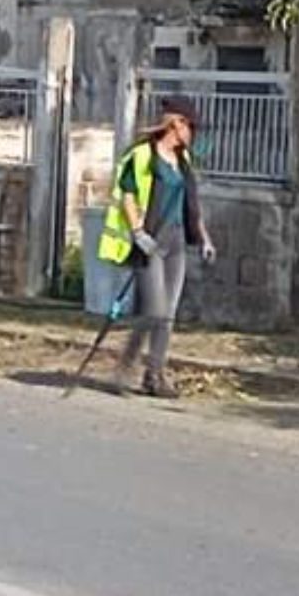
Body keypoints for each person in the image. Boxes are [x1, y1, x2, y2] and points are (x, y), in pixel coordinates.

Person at [96, 96, 217, 397]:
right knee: (154, 311)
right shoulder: (141, 156)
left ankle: (155, 376)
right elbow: (126, 194)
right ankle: (124, 369)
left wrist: (203, 238)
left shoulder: (184, 160)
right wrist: (137, 231)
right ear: (176, 124)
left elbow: (192, 204)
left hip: (176, 241)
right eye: (191, 127)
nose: (193, 134)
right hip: (151, 242)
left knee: (168, 313)